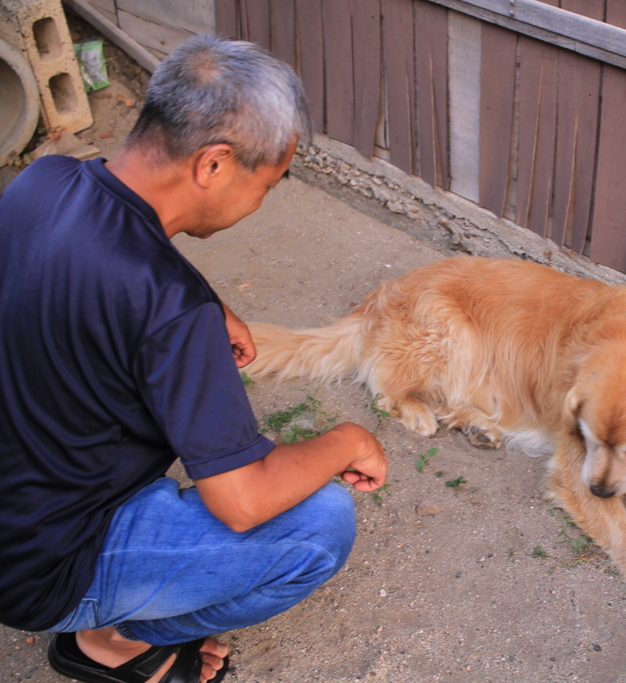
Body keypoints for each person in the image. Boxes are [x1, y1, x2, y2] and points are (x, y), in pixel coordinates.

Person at [0, 35, 388, 683]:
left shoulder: (45, 179)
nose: (260, 201)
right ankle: (111, 640)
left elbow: (119, 238)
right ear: (213, 164)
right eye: (267, 184)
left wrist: (206, 298)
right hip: (42, 570)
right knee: (321, 525)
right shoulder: (173, 312)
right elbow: (243, 501)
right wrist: (350, 439)